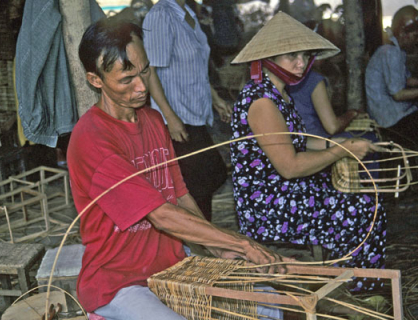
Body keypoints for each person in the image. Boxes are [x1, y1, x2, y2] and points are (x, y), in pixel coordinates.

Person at [67, 18, 287, 320]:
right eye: (126, 78)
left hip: (172, 265)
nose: (142, 86)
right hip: (119, 282)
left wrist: (215, 247)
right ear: (96, 80)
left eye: (145, 70)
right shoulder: (92, 139)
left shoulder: (154, 121)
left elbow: (180, 197)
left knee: (267, 302)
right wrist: (239, 243)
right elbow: (161, 214)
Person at [230, 12, 387, 292]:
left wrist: (339, 144)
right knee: (361, 209)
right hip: (269, 204)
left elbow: (301, 141)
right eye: (291, 56)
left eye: (305, 55)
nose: (301, 64)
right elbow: (290, 166)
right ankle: (357, 292)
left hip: (285, 189)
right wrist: (342, 151)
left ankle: (349, 275)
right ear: (269, 59)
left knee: (362, 198)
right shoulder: (262, 101)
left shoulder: (278, 92)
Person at [142, 0, 232, 222]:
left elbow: (196, 67)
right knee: (206, 177)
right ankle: (199, 242)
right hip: (176, 113)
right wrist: (170, 117)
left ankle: (201, 240)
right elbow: (149, 71)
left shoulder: (188, 12)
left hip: (196, 111)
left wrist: (215, 98)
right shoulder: (161, 15)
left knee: (202, 180)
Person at [365, 5, 418, 150]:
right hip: (390, 120)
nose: (416, 41)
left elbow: (405, 80)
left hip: (395, 115)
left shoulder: (397, 52)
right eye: (415, 36)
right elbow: (398, 94)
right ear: (402, 33)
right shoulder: (390, 53)